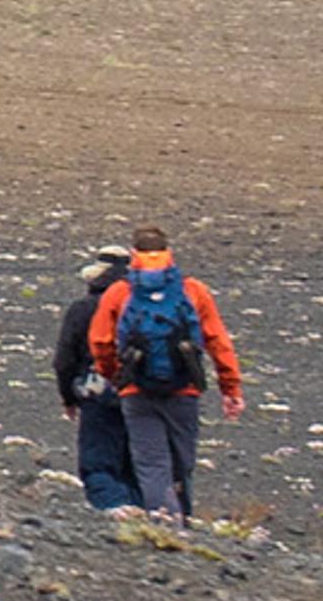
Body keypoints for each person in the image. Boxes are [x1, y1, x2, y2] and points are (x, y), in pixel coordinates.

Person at [83, 222, 245, 520]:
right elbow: (218, 341)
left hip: (136, 391)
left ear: (134, 254)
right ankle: (181, 518)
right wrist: (230, 389)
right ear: (169, 253)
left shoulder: (119, 292)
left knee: (151, 464)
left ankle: (164, 523)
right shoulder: (193, 290)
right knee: (182, 462)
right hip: (184, 389)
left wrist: (114, 375)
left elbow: (100, 341)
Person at [53, 249, 142, 509]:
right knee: (138, 468)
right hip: (146, 395)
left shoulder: (84, 309)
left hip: (99, 396)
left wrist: (68, 398)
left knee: (98, 466)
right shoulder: (145, 306)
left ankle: (115, 512)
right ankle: (144, 516)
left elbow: (64, 361)